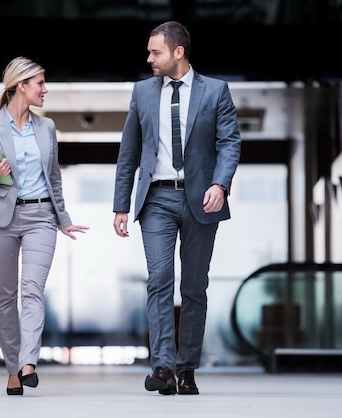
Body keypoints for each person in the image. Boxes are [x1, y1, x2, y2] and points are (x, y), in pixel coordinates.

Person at [112, 21, 242, 395]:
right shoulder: (142, 93)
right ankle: (164, 367)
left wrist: (221, 184)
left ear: (178, 52)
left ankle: (187, 369)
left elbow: (230, 143)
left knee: (194, 287)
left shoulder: (216, 91)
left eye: (156, 52)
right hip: (156, 199)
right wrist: (121, 204)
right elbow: (129, 154)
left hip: (202, 198)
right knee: (159, 280)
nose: (149, 58)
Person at [0, 56, 89, 396]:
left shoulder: (46, 127)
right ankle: (12, 370)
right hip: (1, 220)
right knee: (6, 297)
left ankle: (28, 362)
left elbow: (54, 178)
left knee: (32, 290)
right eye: (39, 83)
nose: (44, 89)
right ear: (21, 86)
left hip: (41, 219)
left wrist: (62, 219)